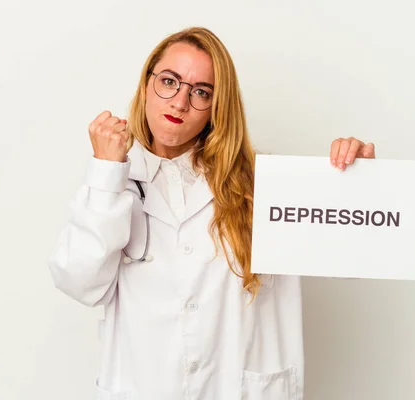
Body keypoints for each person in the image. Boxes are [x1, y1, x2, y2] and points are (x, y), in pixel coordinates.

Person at [48, 26, 375, 400]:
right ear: (146, 84)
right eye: (169, 82)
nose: (180, 102)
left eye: (201, 92)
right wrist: (106, 172)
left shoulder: (264, 184)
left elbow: (352, 260)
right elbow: (79, 282)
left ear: (217, 108)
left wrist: (360, 185)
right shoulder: (113, 180)